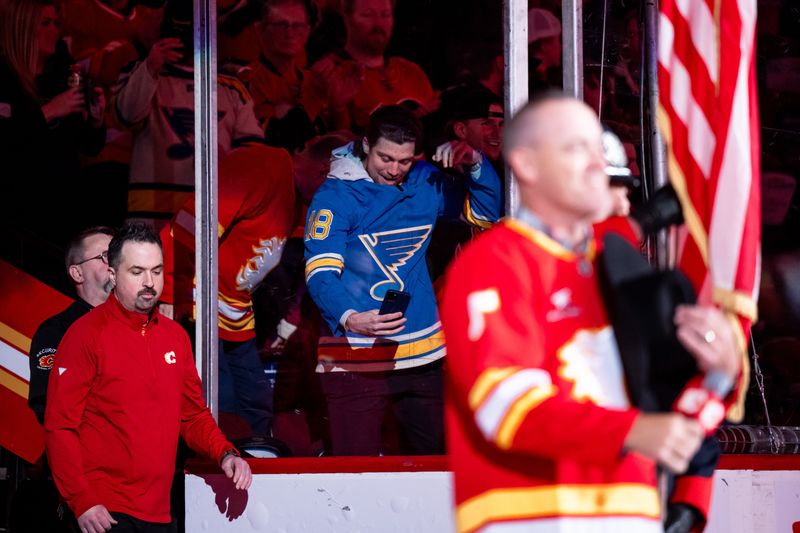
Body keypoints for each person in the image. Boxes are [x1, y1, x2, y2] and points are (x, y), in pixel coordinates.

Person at [440, 95, 742, 532]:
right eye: (574, 147)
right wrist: (634, 431)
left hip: (631, 515)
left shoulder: (622, 268)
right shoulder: (493, 260)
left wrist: (718, 375)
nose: (597, 161)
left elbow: (672, 420)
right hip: (528, 516)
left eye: (597, 149)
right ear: (526, 164)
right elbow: (503, 406)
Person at [304, 105, 502, 456]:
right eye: (385, 158)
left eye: (404, 161)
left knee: (438, 471)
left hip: (422, 355)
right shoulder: (333, 197)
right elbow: (319, 272)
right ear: (365, 145)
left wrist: (474, 163)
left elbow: (487, 214)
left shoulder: (424, 181)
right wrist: (349, 316)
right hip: (354, 358)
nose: (394, 170)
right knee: (355, 476)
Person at [44, 222, 252, 533]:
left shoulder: (175, 337)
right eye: (137, 271)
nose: (149, 283)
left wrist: (225, 453)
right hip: (104, 512)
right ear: (113, 275)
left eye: (156, 271)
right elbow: (60, 425)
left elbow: (192, 414)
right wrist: (81, 499)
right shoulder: (85, 336)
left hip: (159, 512)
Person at [160, 143, 296, 438]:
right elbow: (189, 224)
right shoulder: (265, 164)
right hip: (196, 303)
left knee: (256, 404)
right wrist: (170, 293)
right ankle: (219, 478)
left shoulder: (300, 200)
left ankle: (256, 474)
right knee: (221, 406)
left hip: (235, 312)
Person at [112, 0, 263, 228]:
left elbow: (253, 156)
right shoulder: (142, 73)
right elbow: (125, 116)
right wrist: (151, 66)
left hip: (210, 221)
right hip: (149, 219)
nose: (185, 35)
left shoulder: (232, 88)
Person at [29, 226, 116, 425]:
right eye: (105, 256)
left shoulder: (143, 325)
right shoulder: (56, 332)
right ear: (77, 273)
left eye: (118, 255)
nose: (116, 263)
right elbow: (48, 406)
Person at [311, 0, 437, 131]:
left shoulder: (411, 71)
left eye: (385, 15)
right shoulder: (329, 73)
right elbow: (330, 144)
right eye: (367, 14)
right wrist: (338, 109)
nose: (378, 24)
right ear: (347, 18)